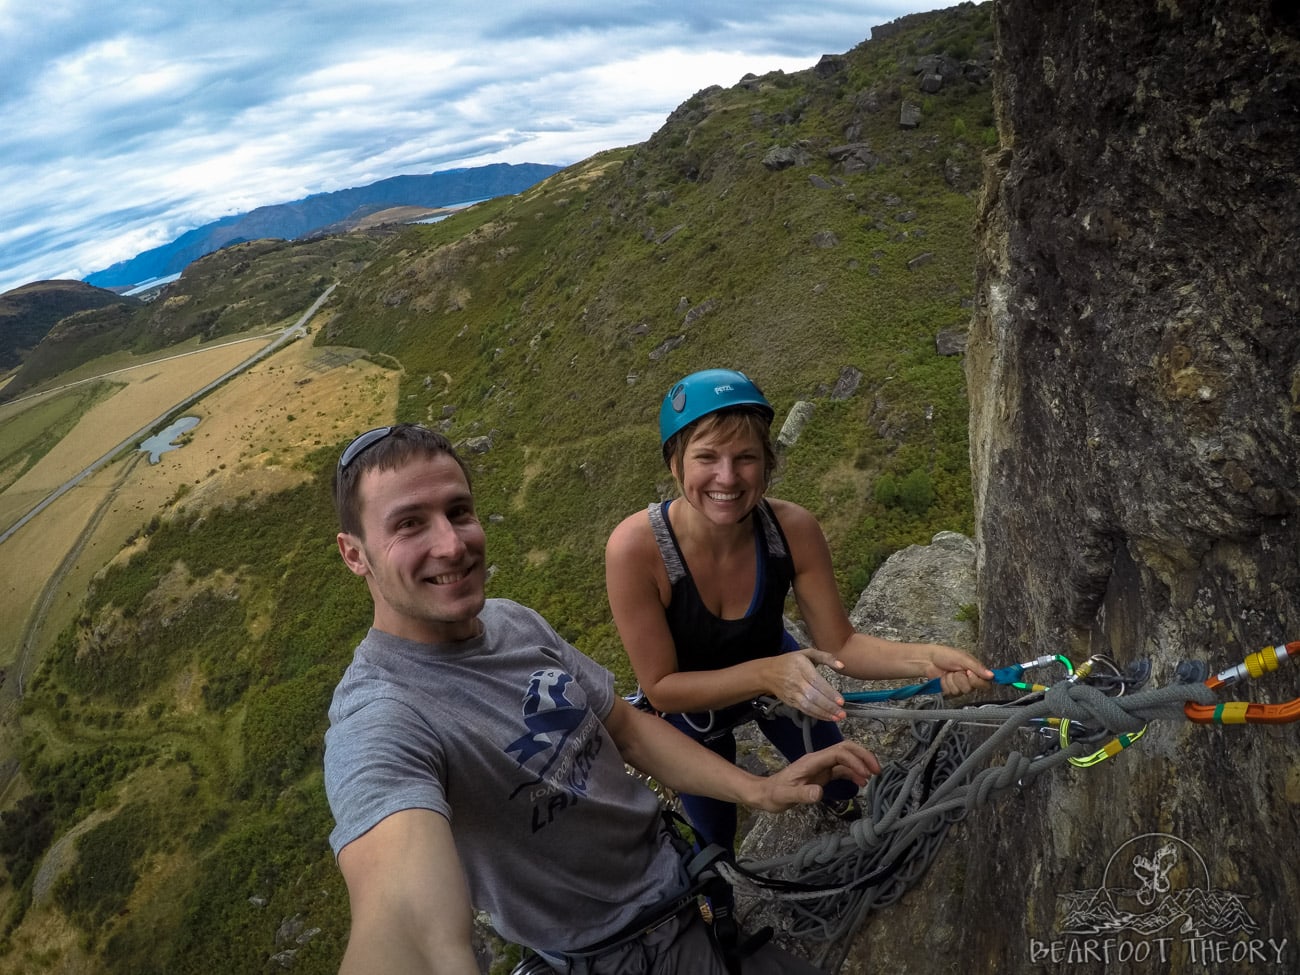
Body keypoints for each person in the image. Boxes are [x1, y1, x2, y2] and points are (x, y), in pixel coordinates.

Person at [322, 423, 881, 975]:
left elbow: (627, 729)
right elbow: (408, 928)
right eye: (409, 524)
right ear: (354, 554)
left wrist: (758, 791)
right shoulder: (380, 718)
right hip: (618, 953)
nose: (450, 544)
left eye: (459, 512)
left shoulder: (513, 623)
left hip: (681, 886)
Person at [605, 369, 992, 855]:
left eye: (746, 458)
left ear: (766, 465)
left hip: (779, 670)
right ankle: (720, 914)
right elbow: (662, 688)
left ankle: (841, 810)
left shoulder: (791, 530)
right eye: (707, 457)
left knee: (839, 780)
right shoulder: (636, 551)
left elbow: (841, 645)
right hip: (695, 704)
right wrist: (769, 674)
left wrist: (930, 660)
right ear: (675, 463)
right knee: (714, 842)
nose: (727, 477)